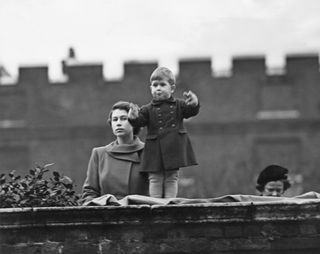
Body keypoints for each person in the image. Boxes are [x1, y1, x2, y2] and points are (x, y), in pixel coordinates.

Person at [128, 66, 200, 198]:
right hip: (155, 149)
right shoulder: (147, 109)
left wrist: (194, 104)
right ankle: (156, 204)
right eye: (155, 85)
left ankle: (169, 204)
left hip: (174, 147)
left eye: (162, 84)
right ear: (150, 88)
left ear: (172, 88)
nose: (158, 88)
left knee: (171, 178)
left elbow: (190, 112)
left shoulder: (179, 105)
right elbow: (140, 122)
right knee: (155, 178)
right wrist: (133, 117)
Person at [81, 101, 148, 204]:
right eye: (115, 119)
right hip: (107, 216)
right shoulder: (99, 154)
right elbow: (89, 193)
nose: (118, 123)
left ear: (135, 122)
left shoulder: (148, 152)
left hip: (141, 215)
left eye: (124, 119)